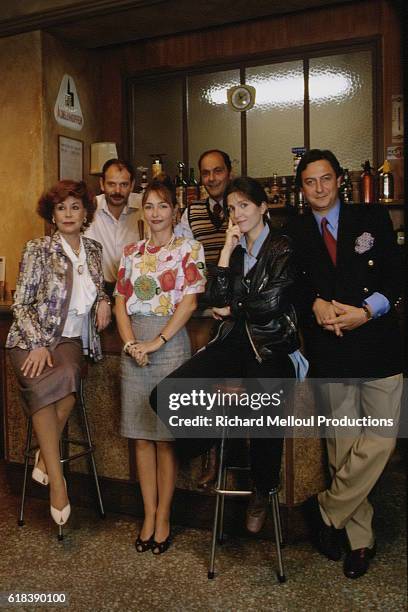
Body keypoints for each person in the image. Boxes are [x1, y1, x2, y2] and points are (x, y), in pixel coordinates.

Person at [152, 176, 306, 533]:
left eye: (245, 206)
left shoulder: (283, 247)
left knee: (266, 406)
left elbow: (271, 305)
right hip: (234, 341)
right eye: (233, 207)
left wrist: (234, 308)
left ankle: (263, 489)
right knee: (163, 395)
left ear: (263, 207)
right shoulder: (235, 252)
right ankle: (214, 442)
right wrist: (224, 251)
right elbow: (215, 298)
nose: (237, 213)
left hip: (270, 345)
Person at [288, 149, 403, 579]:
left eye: (325, 179)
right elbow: (289, 288)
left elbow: (396, 275)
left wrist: (367, 311)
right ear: (302, 188)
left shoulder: (371, 219)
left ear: (340, 180)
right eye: (309, 182)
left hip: (378, 347)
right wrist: (313, 302)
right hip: (331, 351)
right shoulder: (295, 230)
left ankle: (325, 510)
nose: (318, 188)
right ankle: (359, 540)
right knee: (341, 450)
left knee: (381, 441)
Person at [6, 180, 111, 530]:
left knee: (68, 376)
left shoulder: (94, 250)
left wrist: (106, 301)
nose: (68, 213)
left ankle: (44, 457)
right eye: (62, 207)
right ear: (52, 214)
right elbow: (21, 302)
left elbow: (99, 289)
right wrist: (36, 342)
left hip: (68, 341)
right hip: (30, 341)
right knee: (39, 386)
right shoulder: (38, 249)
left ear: (85, 213)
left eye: (75, 207)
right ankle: (58, 483)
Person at [114, 177, 206, 554]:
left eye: (162, 206)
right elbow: (120, 301)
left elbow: (190, 302)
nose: (155, 213)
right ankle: (148, 514)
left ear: (175, 211)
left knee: (166, 441)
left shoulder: (190, 249)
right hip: (135, 347)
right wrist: (131, 343)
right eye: (149, 206)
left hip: (170, 346)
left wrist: (157, 341)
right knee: (140, 438)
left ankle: (164, 515)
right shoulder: (130, 252)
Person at [176, 149, 232, 488]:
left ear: (229, 171)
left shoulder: (243, 203)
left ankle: (217, 452)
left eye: (218, 171)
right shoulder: (190, 212)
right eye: (206, 173)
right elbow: (185, 258)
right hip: (201, 305)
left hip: (235, 307)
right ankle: (204, 447)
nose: (211, 178)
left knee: (223, 382)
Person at [85, 158, 142, 296]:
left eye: (124, 184)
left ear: (132, 185)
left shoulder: (145, 208)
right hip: (96, 291)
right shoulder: (88, 208)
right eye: (111, 184)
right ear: (102, 184)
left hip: (136, 291)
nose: (117, 190)